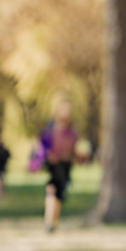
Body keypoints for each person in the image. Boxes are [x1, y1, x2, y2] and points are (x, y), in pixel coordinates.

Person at [35, 100, 82, 233]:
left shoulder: (72, 133)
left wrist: (78, 158)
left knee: (59, 196)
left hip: (65, 166)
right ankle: (48, 221)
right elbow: (43, 148)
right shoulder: (51, 131)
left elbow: (73, 151)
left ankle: (53, 222)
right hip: (54, 166)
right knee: (51, 191)